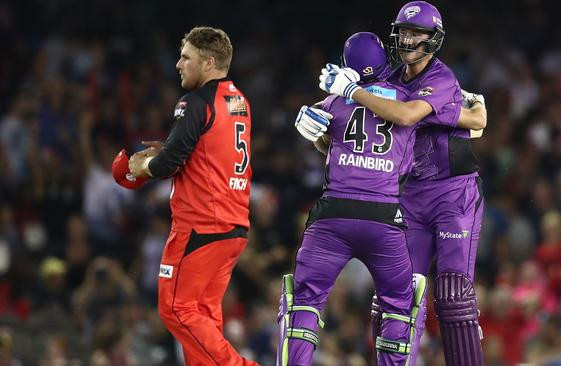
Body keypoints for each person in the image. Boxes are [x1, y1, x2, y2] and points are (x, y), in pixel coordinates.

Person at [315, 2, 488, 365]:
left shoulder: (441, 79)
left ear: (433, 40)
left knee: (453, 295)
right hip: (408, 194)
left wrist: (352, 92)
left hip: (452, 193)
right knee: (396, 297)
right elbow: (357, 141)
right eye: (404, 32)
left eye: (417, 34)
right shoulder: (390, 79)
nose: (408, 39)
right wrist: (317, 131)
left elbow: (408, 115)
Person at [279, 32, 427, 366]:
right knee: (400, 307)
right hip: (385, 216)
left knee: (304, 301)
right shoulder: (406, 100)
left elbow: (327, 141)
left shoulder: (332, 103)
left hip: (334, 215)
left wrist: (315, 133)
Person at [128, 26, 257, 366]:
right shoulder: (238, 101)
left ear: (209, 62)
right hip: (232, 225)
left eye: (186, 57)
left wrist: (142, 168)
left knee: (175, 307)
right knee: (203, 317)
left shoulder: (194, 101)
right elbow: (210, 152)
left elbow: (168, 164)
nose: (178, 64)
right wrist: (171, 149)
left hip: (200, 225)